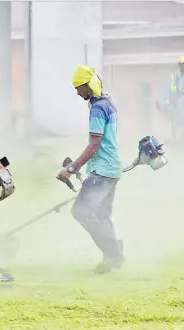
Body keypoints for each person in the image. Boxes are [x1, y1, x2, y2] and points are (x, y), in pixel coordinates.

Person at [57, 65, 123, 274]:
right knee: (102, 215)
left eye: (79, 88)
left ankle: (114, 252)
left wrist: (71, 168)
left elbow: (95, 144)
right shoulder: (108, 103)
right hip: (112, 168)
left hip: (102, 170)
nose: (78, 93)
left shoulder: (97, 109)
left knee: (81, 211)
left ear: (88, 85)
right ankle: (111, 260)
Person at [158, 56, 184, 149]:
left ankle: (182, 147)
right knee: (174, 127)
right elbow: (165, 90)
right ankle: (174, 145)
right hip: (174, 107)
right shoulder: (172, 76)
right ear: (179, 65)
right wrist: (163, 101)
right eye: (183, 64)